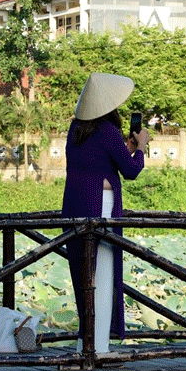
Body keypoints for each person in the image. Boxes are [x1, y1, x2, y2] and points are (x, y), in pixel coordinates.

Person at [62, 72, 151, 353]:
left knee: (82, 274)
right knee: (101, 274)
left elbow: (96, 160)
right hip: (100, 203)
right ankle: (98, 346)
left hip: (74, 202)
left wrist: (128, 148)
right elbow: (131, 170)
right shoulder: (109, 131)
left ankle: (84, 342)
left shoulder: (75, 129)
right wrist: (141, 149)